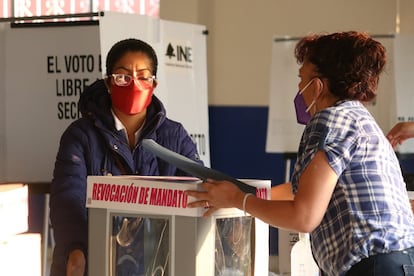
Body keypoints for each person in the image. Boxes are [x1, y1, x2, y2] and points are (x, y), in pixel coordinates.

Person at [186, 31, 414, 276]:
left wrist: (237, 200)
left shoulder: (328, 120)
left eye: (301, 78)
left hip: (374, 269)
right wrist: (240, 194)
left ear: (317, 86)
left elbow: (304, 216)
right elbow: (302, 190)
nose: (298, 87)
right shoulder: (358, 118)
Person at [50, 38, 202, 276]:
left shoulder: (174, 136)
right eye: (123, 76)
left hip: (158, 264)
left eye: (143, 76)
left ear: (154, 84)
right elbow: (68, 197)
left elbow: (198, 192)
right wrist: (76, 250)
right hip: (95, 262)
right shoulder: (81, 135)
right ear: (109, 83)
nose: (134, 84)